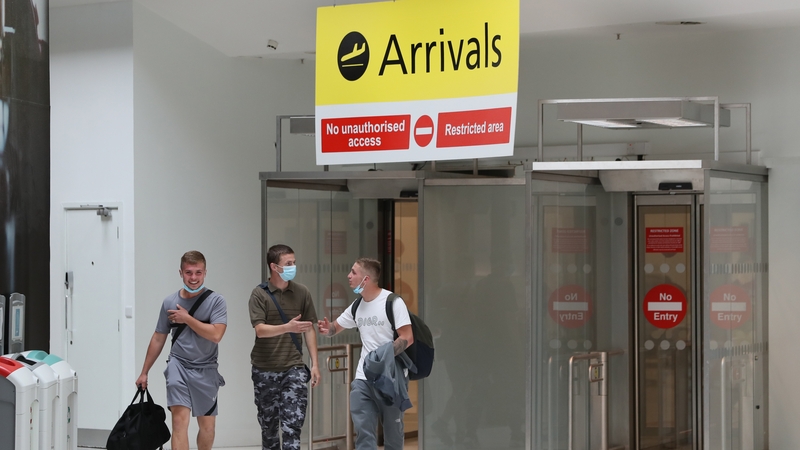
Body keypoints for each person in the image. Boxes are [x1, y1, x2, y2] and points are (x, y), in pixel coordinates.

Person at [318, 258, 414, 450]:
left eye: (353, 272)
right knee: (363, 434)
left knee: (393, 438)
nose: (349, 276)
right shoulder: (357, 305)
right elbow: (335, 328)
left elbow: (407, 337)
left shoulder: (392, 302)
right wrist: (327, 328)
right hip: (363, 378)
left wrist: (383, 356)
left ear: (366, 279)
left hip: (390, 378)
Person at [135, 250, 227, 450]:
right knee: (179, 422)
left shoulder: (216, 301)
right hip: (178, 366)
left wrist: (187, 319)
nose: (193, 278)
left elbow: (216, 335)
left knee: (207, 427)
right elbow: (159, 337)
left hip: (206, 369)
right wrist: (144, 372)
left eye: (198, 272)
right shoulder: (169, 302)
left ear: (205, 272)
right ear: (181, 273)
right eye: (188, 272)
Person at [249, 244, 321, 450]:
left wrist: (314, 364)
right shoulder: (259, 294)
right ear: (274, 267)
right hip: (264, 369)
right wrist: (287, 327)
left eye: (294, 263)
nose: (293, 267)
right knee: (269, 430)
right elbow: (260, 330)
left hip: (294, 368)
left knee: (292, 428)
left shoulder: (302, 292)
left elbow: (309, 329)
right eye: (288, 264)